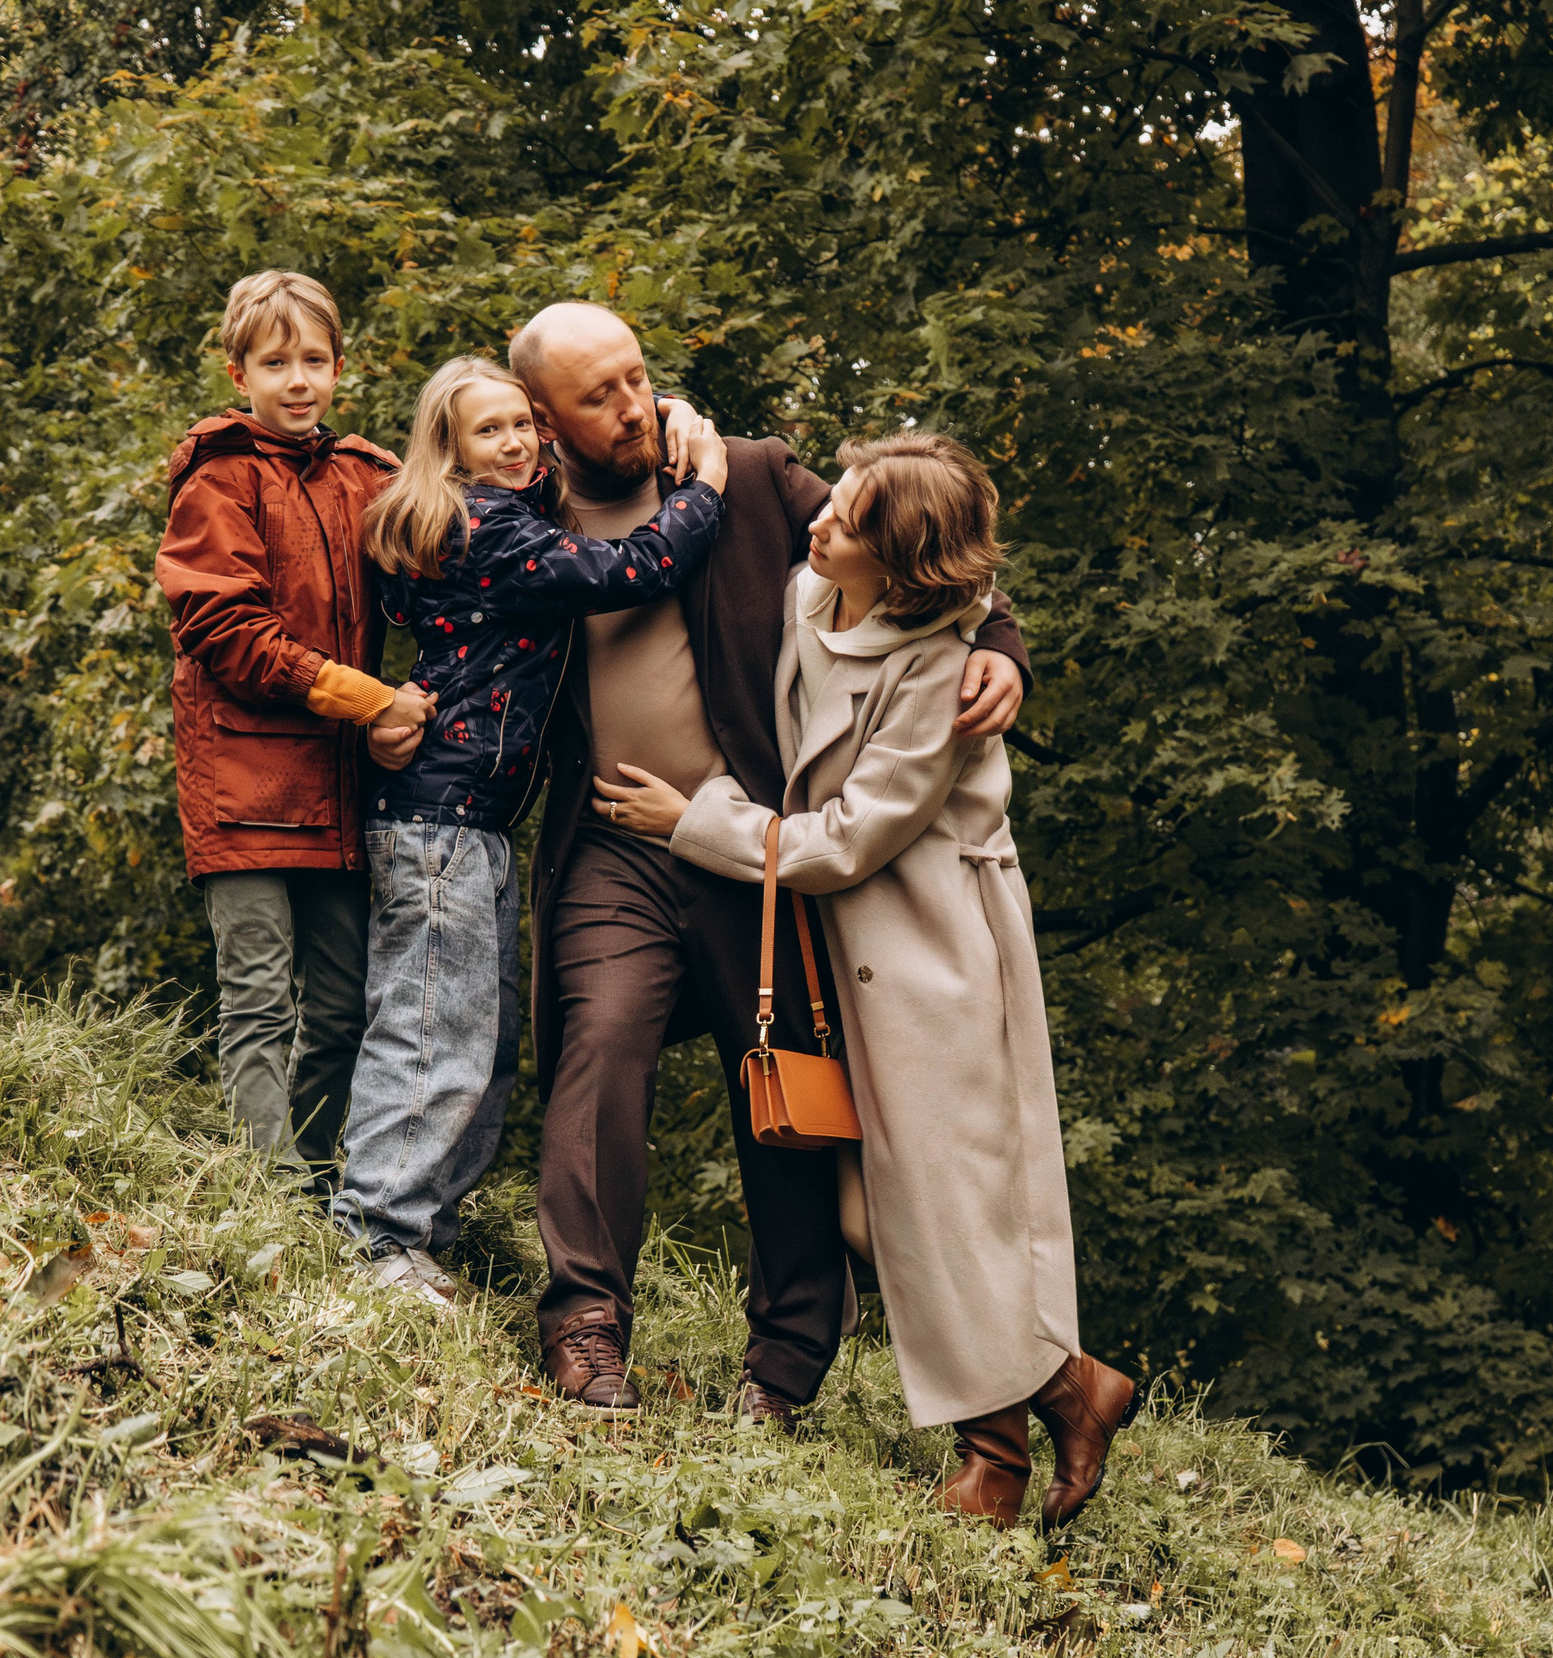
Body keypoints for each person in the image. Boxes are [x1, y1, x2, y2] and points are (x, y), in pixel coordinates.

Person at [598, 434, 1138, 1532]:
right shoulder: (813, 596)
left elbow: (847, 841)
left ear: (895, 565)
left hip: (932, 945)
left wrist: (688, 819)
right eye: (833, 505)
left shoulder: (942, 670)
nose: (817, 524)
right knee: (866, 1211)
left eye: (844, 522)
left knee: (944, 1198)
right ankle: (1069, 1387)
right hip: (838, 949)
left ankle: (996, 1456)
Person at [512, 303, 1032, 1423]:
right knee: (598, 1044)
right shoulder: (516, 519)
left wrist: (1001, 652)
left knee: (784, 1090)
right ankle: (586, 1324)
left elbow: (929, 567)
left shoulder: (747, 479)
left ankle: (783, 1368)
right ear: (543, 421)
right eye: (596, 396)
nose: (632, 405)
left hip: (756, 851)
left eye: (636, 377)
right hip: (611, 842)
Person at [333, 355, 730, 1307]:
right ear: (451, 450)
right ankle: (377, 1234)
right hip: (439, 821)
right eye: (490, 430)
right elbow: (634, 566)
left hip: (474, 823)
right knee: (432, 1029)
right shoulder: (486, 527)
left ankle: (426, 1233)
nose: (515, 442)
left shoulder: (488, 516)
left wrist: (661, 411)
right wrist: (706, 487)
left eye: (525, 424)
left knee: (484, 1033)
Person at [155, 271, 435, 1196]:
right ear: (240, 372)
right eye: (276, 363)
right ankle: (262, 1198)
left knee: (348, 1002)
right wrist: (367, 698)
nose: (298, 379)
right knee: (259, 997)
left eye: (314, 359)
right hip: (239, 789)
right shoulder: (220, 478)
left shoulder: (367, 476)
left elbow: (461, 523)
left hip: (338, 790)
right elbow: (226, 630)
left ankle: (314, 1184)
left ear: (340, 366)